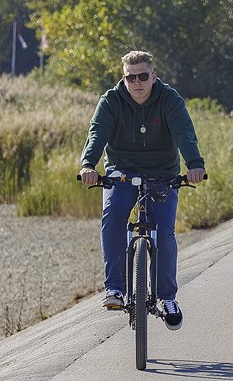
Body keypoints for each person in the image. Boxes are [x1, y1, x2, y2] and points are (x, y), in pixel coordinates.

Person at [79, 51, 207, 328]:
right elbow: (96, 133)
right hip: (122, 171)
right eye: (130, 77)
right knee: (113, 217)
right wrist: (88, 165)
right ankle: (115, 289)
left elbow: (184, 133)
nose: (137, 82)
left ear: (154, 76)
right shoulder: (111, 101)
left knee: (163, 231)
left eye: (143, 76)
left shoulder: (169, 100)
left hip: (162, 172)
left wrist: (195, 164)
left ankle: (166, 297)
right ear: (124, 78)